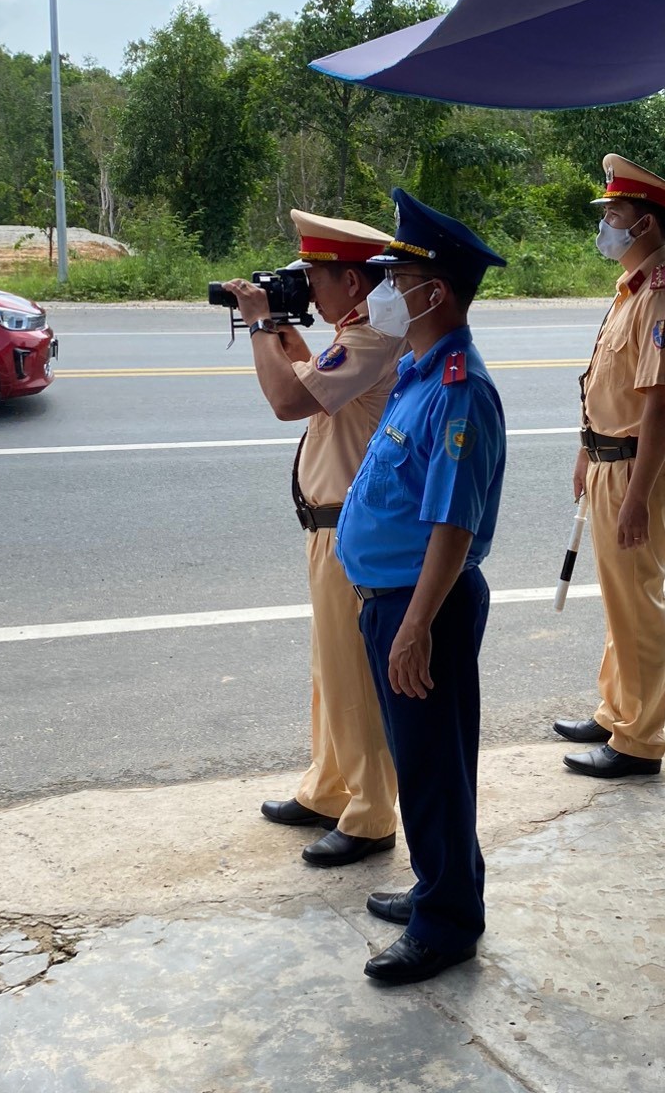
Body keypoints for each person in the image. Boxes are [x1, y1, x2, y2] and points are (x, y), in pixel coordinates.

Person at [336, 188, 507, 985]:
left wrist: (413, 629)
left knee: (433, 762)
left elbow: (453, 527)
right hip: (396, 601)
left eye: (397, 279)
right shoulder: (419, 372)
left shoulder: (459, 391)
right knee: (424, 758)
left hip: (422, 606)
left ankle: (447, 925)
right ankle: (444, 881)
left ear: (434, 292)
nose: (383, 292)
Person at [222, 210, 402, 867]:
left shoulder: (374, 338)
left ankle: (371, 812)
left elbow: (288, 402)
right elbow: (315, 383)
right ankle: (330, 787)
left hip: (351, 533)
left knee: (353, 674)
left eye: (314, 279)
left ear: (352, 282)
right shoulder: (357, 331)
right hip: (330, 530)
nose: (307, 292)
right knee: (331, 670)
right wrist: (287, 335)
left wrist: (263, 324)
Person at [554, 154, 665, 778]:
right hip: (613, 461)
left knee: (637, 603)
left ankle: (638, 742)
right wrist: (588, 451)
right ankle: (617, 710)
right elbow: (611, 384)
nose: (605, 224)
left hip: (639, 468)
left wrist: (637, 497)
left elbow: (660, 405)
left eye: (613, 214)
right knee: (621, 600)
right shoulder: (636, 286)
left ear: (643, 225)